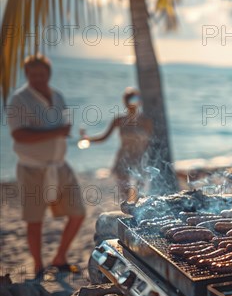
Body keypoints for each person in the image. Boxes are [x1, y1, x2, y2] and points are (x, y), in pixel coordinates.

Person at [7, 54, 86, 279]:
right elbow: (18, 135)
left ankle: (59, 257)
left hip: (60, 166)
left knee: (78, 213)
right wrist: (56, 132)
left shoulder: (57, 95)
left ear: (49, 74)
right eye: (33, 75)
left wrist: (67, 130)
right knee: (35, 220)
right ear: (27, 75)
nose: (38, 78)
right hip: (32, 169)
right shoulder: (18, 99)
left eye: (42, 74)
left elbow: (65, 125)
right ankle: (39, 266)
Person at [82, 87, 153, 201]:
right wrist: (88, 139)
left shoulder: (145, 121)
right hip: (123, 158)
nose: (131, 102)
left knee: (139, 195)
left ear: (139, 101)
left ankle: (137, 216)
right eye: (128, 99)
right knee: (125, 195)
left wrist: (150, 161)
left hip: (140, 159)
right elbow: (104, 137)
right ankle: (128, 216)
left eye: (135, 98)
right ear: (124, 102)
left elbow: (150, 142)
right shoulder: (119, 120)